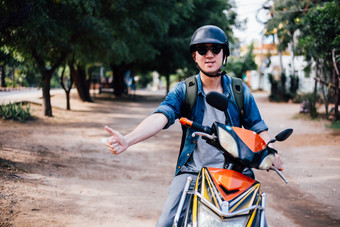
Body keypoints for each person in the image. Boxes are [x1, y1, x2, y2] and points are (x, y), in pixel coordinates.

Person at [105, 25, 283, 227]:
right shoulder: (185, 90)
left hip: (235, 171)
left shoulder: (239, 91)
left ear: (224, 54)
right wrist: (128, 139)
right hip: (193, 171)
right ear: (194, 56)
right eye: (202, 49)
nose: (209, 55)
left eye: (215, 49)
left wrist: (271, 152)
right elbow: (162, 115)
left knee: (257, 221)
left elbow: (258, 127)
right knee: (165, 223)